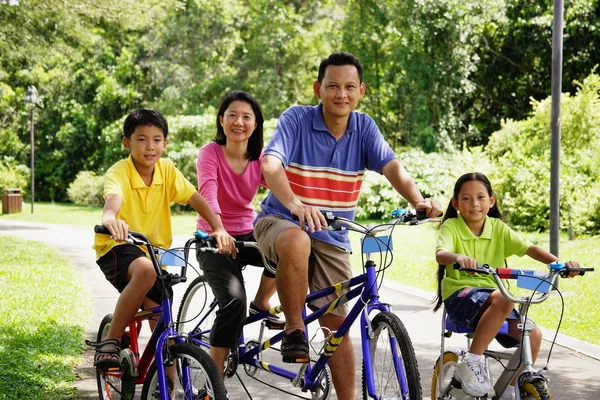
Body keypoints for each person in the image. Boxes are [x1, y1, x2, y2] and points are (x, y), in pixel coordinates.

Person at [253, 51, 442, 399]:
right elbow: (270, 165)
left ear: (361, 91)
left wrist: (418, 200)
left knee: (337, 327)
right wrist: (295, 203)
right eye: (333, 86)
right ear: (318, 89)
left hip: (333, 235)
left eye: (349, 87)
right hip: (280, 220)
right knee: (296, 240)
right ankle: (294, 329)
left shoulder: (363, 127)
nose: (341, 94)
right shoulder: (296, 119)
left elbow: (392, 167)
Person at [91, 108, 235, 370]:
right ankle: (111, 340)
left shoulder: (167, 169)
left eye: (157, 139)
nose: (150, 146)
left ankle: (166, 384)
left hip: (156, 252)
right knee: (145, 272)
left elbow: (193, 197)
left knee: (165, 328)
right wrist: (111, 218)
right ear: (127, 142)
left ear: (165, 143)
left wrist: (218, 228)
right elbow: (113, 199)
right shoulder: (119, 172)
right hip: (118, 247)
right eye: (142, 139)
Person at [434, 172, 581, 399]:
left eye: (481, 197)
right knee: (504, 297)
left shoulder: (498, 228)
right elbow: (441, 254)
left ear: (491, 201)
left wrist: (559, 265)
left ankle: (513, 391)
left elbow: (529, 248)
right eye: (466, 198)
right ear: (455, 203)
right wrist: (457, 257)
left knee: (533, 334)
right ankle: (472, 362)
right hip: (461, 297)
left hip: (495, 301)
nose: (474, 204)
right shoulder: (451, 227)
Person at [195, 90, 278, 379]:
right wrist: (218, 229)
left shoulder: (261, 159)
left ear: (255, 124)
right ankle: (214, 383)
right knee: (232, 304)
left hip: (247, 231)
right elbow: (207, 192)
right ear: (221, 120)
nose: (238, 122)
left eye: (246, 117)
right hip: (211, 236)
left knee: (290, 253)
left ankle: (262, 302)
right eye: (232, 115)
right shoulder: (210, 153)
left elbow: (283, 187)